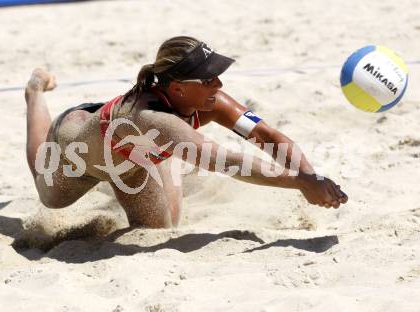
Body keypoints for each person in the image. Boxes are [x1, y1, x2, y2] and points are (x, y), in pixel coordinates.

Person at [25, 36, 348, 229]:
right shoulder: (154, 119)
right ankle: (35, 92)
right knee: (50, 198)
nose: (218, 85)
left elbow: (266, 136)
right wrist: (297, 184)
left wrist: (312, 178)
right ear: (178, 88)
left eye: (217, 76)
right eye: (208, 79)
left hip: (132, 160)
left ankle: (163, 154)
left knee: (162, 227)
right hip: (79, 147)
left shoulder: (210, 101)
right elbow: (225, 161)